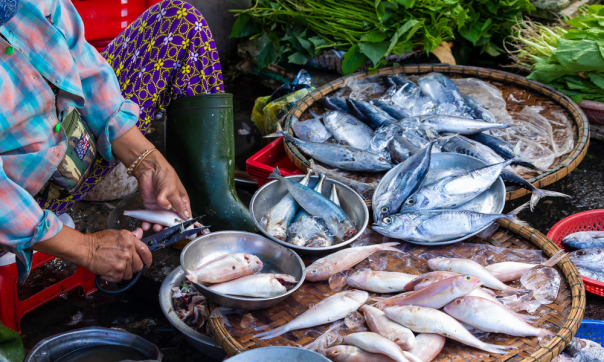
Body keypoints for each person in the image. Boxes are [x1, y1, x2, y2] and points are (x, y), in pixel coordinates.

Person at [0, 0, 231, 283]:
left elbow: (84, 68)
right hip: (16, 202)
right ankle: (33, 235)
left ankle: (206, 209)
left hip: (67, 151)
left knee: (178, 21)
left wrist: (148, 161)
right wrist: (87, 248)